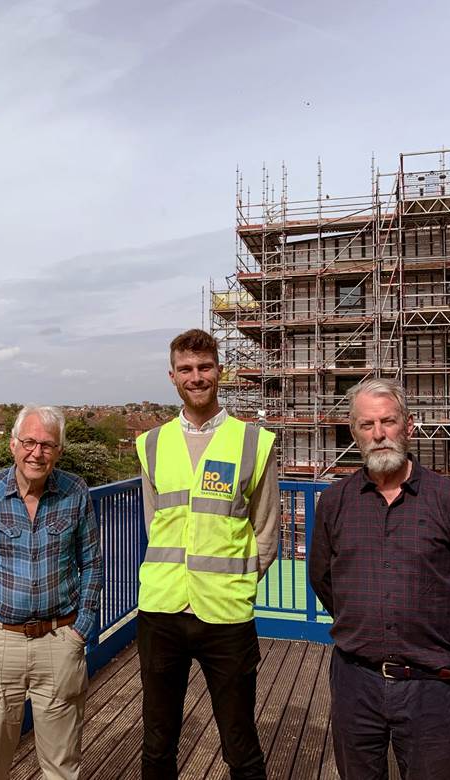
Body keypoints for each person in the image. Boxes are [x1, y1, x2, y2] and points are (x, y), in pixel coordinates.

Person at [309, 378, 450, 780]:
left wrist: (436, 630)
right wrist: (363, 619)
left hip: (429, 684)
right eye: (366, 425)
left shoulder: (447, 499)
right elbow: (322, 578)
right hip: (355, 681)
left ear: (408, 425)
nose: (379, 434)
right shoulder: (335, 502)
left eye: (388, 422)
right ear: (354, 432)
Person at [136, 328, 278, 780]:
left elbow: (267, 529)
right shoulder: (151, 444)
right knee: (158, 744)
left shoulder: (253, 441)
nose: (196, 377)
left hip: (227, 614)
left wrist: (237, 579)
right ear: (172, 376)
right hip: (162, 609)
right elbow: (154, 522)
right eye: (186, 369)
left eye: (204, 367)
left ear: (220, 371)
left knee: (241, 746)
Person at [0, 405, 103, 780]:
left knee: (61, 768)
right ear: (13, 445)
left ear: (59, 451)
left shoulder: (75, 492)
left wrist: (80, 629)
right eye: (29, 442)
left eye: (47, 445)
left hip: (59, 640)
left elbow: (92, 565)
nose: (37, 453)